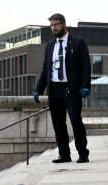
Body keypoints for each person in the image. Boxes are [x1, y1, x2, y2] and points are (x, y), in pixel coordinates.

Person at [33, 13, 91, 163]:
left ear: (64, 24)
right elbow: (46, 69)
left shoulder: (78, 42)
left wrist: (85, 86)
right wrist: (39, 90)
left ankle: (83, 153)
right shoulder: (50, 45)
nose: (54, 28)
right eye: (51, 25)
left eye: (56, 24)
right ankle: (64, 154)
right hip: (54, 90)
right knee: (58, 125)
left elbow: (86, 66)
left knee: (75, 121)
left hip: (72, 90)